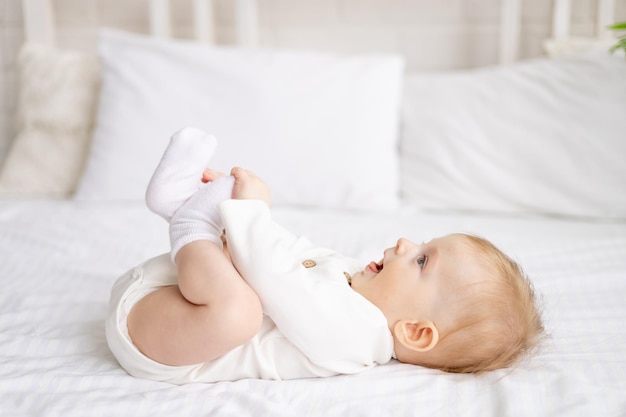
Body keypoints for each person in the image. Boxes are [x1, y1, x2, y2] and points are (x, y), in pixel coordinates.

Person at [105, 127, 544, 384]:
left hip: (155, 340)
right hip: (170, 295)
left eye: (422, 261)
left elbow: (276, 276)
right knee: (242, 267)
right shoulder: (357, 279)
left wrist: (251, 210)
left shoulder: (356, 337)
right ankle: (190, 206)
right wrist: (233, 216)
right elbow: (285, 254)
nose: (406, 244)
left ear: (415, 332)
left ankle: (186, 221)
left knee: (239, 312)